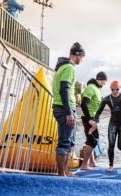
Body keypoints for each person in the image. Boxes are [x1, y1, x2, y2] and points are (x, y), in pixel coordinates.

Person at [52, 42, 85, 177]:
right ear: (76, 55)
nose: (82, 60)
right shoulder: (69, 68)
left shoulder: (63, 67)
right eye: (82, 57)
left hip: (64, 108)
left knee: (69, 142)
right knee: (64, 142)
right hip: (64, 109)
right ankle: (61, 175)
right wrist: (68, 113)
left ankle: (65, 172)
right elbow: (64, 89)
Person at [80, 71, 107, 171]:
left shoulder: (98, 89)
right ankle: (84, 164)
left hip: (92, 118)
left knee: (91, 140)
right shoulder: (91, 87)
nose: (105, 84)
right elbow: (83, 104)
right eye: (105, 81)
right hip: (88, 118)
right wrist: (89, 119)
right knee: (93, 140)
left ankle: (91, 162)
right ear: (101, 80)